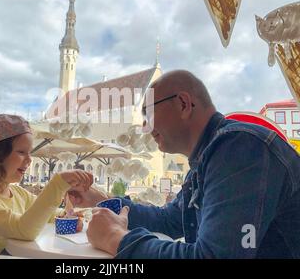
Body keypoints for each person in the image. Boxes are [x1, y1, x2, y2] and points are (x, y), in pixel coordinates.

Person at [68, 70, 300, 259]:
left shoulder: (240, 148)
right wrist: (99, 199)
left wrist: (116, 239)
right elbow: (168, 220)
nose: (144, 128)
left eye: (147, 114)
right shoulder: (207, 159)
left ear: (182, 103)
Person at [0, 114, 93, 255]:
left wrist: (68, 215)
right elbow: (24, 230)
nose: (29, 159)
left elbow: (47, 215)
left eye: (30, 152)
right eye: (21, 152)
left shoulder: (18, 193)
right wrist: (58, 184)